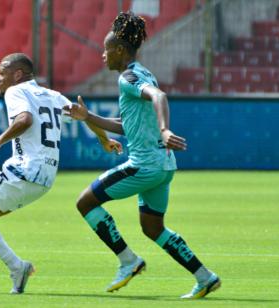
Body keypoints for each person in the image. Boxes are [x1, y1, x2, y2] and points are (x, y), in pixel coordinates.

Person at [0, 53, 120, 294]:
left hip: (25, 170)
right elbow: (83, 115)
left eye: (1, 73)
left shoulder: (15, 92)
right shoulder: (53, 96)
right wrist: (105, 140)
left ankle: (17, 267)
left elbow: (25, 119)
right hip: (45, 177)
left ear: (17, 74)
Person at [64, 12, 221, 299]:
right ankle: (204, 276)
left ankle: (128, 261)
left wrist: (164, 129)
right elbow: (127, 126)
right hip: (163, 166)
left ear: (120, 50)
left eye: (107, 49)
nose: (103, 55)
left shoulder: (129, 77)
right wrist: (88, 117)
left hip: (145, 165)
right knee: (152, 227)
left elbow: (159, 96)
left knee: (85, 202)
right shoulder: (142, 72)